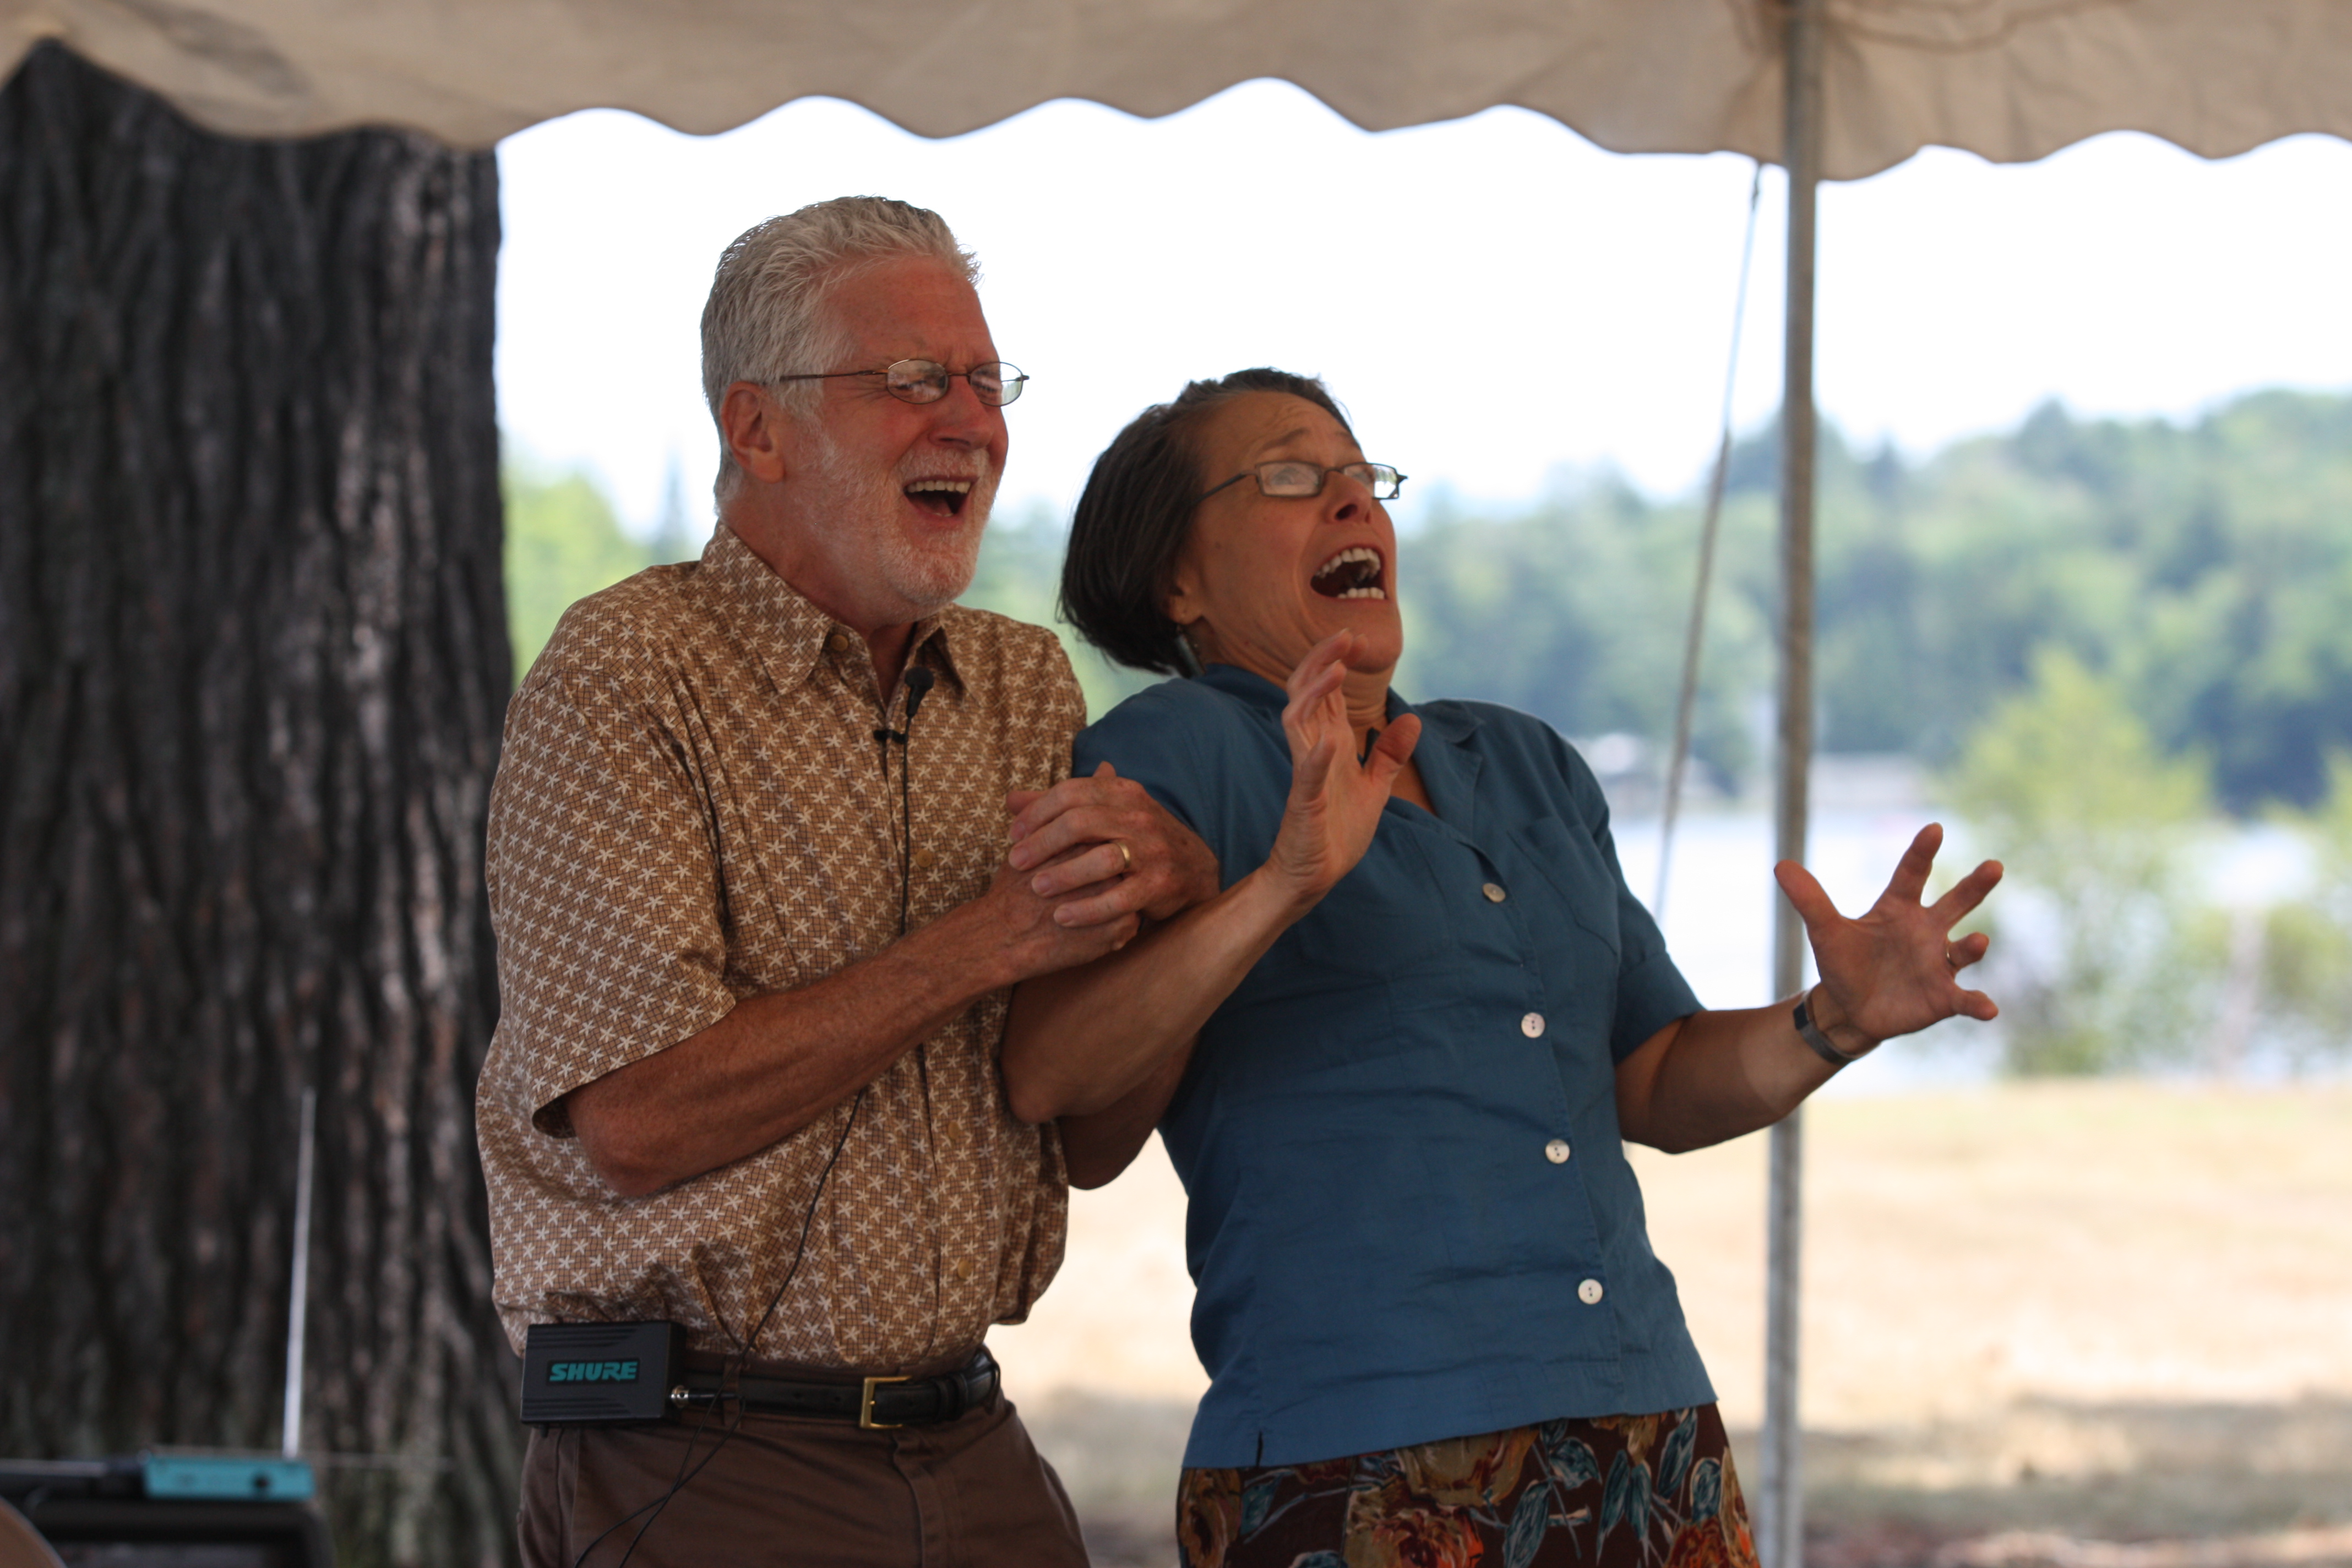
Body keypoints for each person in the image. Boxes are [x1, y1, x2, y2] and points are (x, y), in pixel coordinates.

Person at [998, 367, 2003, 1568]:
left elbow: (1654, 1078)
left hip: (1647, 1425)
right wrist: (1283, 884)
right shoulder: (1167, 756)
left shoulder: (1526, 762)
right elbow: (1053, 1079)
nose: (1352, 502)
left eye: (1364, 478)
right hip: (1357, 1456)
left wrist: (1832, 1020)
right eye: (1290, 476)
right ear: (1179, 581)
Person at [475, 197, 1217, 1568]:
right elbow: (635, 1119)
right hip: (697, 1452)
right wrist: (995, 939)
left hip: (973, 1434)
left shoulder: (1020, 680)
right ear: (757, 428)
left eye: (987, 381)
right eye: (916, 379)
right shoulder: (626, 672)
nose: (973, 421)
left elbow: (1084, 1142)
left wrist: (1185, 914)